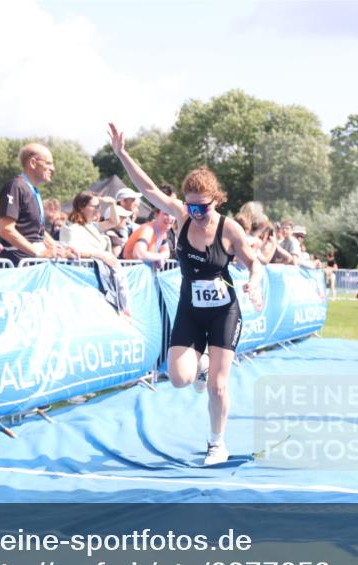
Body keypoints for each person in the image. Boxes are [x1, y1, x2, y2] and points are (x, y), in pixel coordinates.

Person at [108, 120, 263, 466]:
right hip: (190, 310)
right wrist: (122, 154)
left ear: (215, 202)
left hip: (225, 311)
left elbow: (255, 263)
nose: (195, 213)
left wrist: (253, 281)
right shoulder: (180, 217)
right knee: (179, 379)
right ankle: (202, 364)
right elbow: (147, 188)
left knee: (218, 386)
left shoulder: (229, 229)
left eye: (202, 207)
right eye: (190, 207)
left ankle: (216, 443)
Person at [0, 143, 71, 265]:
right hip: (19, 264)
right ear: (33, 163)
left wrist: (61, 250)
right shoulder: (15, 186)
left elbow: (39, 233)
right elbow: (6, 230)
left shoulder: (33, 190)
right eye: (48, 163)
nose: (52, 168)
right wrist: (38, 253)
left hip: (32, 262)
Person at [60, 191, 121, 268]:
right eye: (95, 206)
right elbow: (71, 250)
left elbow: (114, 222)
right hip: (80, 272)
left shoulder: (91, 226)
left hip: (96, 271)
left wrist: (112, 203)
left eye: (99, 206)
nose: (98, 210)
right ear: (81, 207)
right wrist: (99, 255)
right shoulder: (70, 226)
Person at [122, 184, 176, 267]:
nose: (170, 218)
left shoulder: (162, 232)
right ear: (156, 214)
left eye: (172, 214)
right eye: (166, 214)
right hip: (130, 275)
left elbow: (166, 252)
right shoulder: (148, 230)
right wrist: (158, 257)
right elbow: (138, 253)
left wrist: (159, 257)